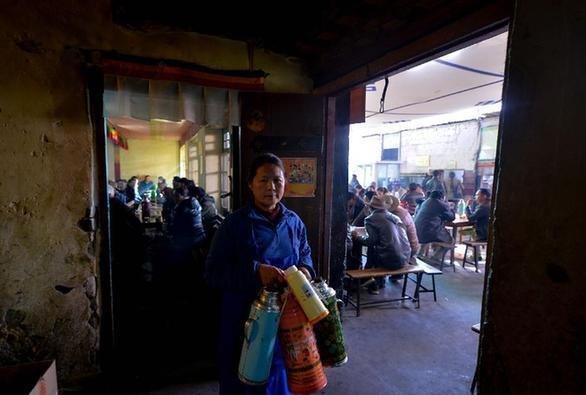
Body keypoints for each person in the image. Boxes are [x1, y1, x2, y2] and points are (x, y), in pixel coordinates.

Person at [205, 153, 315, 395]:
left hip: (288, 320)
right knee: (244, 380)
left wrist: (306, 270)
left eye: (277, 181)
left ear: (285, 183)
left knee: (282, 378)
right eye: (263, 180)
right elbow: (213, 272)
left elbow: (305, 254)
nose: (271, 187)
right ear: (250, 184)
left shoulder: (294, 222)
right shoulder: (234, 225)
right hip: (245, 321)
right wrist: (255, 271)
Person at [353, 195, 411, 294]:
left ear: (370, 208)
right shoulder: (394, 216)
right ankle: (378, 281)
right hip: (405, 258)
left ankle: (370, 281)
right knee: (384, 246)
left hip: (390, 261)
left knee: (372, 248)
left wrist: (357, 237)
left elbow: (370, 241)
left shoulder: (370, 219)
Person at [414, 190, 455, 259]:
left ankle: (420, 255)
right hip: (429, 233)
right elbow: (451, 218)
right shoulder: (440, 204)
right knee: (450, 241)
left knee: (428, 234)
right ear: (441, 198)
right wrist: (450, 208)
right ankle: (434, 259)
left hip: (417, 231)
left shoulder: (425, 202)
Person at [170, 185, 206, 251]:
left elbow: (175, 226)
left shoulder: (181, 208)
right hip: (201, 236)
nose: (174, 198)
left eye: (175, 196)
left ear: (180, 195)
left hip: (190, 239)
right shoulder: (194, 201)